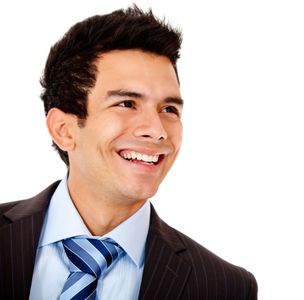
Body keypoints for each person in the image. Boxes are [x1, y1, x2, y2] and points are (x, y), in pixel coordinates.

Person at [0, 6, 257, 300]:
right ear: (64, 129)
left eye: (169, 109)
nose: (157, 129)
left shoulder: (225, 288)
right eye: (126, 104)